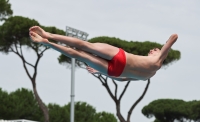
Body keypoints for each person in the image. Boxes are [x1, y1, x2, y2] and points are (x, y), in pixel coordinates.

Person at [29, 26, 178, 81]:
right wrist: (103, 73)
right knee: (79, 54)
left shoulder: (159, 59)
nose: (152, 50)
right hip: (114, 72)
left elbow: (174, 37)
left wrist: (165, 46)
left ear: (161, 53)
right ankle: (46, 42)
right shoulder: (148, 76)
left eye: (155, 49)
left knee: (85, 46)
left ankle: (49, 35)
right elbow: (123, 79)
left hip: (121, 57)